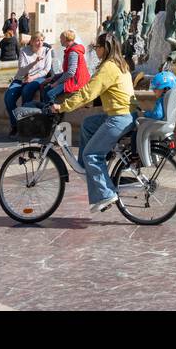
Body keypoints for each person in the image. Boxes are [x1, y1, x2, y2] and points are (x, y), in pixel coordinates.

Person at [46, 32, 136, 214]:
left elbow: (87, 91)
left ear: (105, 48)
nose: (95, 50)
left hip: (118, 118)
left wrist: (63, 106)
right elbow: (109, 91)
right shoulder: (120, 63)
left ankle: (105, 194)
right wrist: (89, 103)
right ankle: (89, 170)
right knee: (88, 124)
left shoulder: (108, 67)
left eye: (97, 47)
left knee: (92, 154)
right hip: (124, 114)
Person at [5, 33, 54, 135]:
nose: (39, 43)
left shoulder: (47, 51)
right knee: (8, 98)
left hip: (38, 77)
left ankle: (25, 124)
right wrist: (34, 62)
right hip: (21, 78)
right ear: (31, 42)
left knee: (26, 91)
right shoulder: (24, 51)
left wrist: (32, 78)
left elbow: (46, 70)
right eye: (37, 40)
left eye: (41, 40)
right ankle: (16, 125)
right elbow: (21, 70)